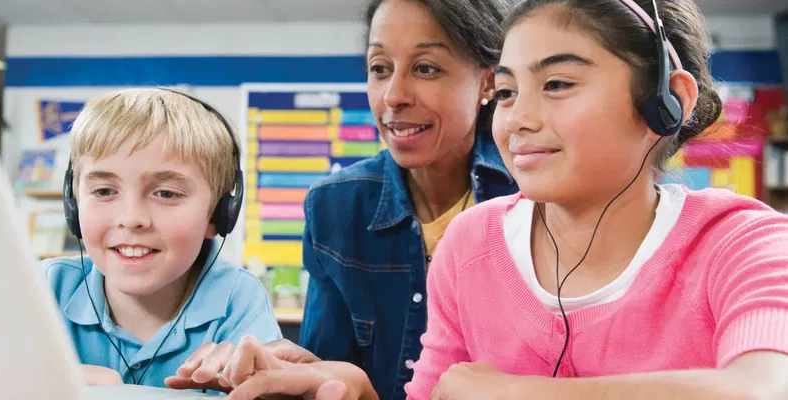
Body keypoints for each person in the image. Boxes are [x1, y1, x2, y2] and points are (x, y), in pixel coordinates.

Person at [175, 0, 788, 399]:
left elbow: (762, 388)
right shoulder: (476, 242)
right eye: (509, 91)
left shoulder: (742, 240)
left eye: (556, 84)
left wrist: (509, 391)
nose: (518, 118)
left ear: (665, 100)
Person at [166, 0, 518, 398]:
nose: (393, 96)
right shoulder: (335, 207)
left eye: (426, 68)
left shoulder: (532, 199)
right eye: (380, 69)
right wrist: (289, 375)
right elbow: (328, 368)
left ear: (489, 82)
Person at [40, 88, 282, 388]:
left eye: (166, 193)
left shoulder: (237, 298)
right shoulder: (44, 289)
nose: (131, 219)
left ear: (218, 214)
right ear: (73, 205)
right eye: (104, 191)